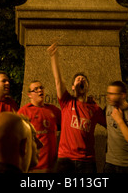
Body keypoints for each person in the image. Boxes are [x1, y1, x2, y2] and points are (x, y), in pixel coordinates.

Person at [47, 42, 106, 173]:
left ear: (88, 87)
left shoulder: (94, 109)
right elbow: (58, 80)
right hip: (65, 160)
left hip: (87, 162)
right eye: (78, 79)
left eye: (84, 79)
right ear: (73, 87)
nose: (81, 80)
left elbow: (109, 123)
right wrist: (53, 57)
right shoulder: (67, 102)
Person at [18, 80, 61, 172]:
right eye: (36, 89)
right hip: (34, 168)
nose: (40, 90)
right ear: (29, 94)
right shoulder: (24, 112)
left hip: (52, 167)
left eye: (41, 88)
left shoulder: (53, 110)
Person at [104, 81, 128, 173]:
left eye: (112, 94)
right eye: (108, 93)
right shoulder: (109, 108)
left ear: (123, 95)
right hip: (110, 164)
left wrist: (120, 121)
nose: (108, 96)